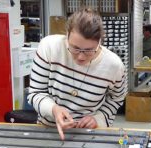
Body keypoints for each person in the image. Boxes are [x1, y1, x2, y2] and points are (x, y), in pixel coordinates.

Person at [28, 8, 127, 140]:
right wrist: (53, 109)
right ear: (67, 34)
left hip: (90, 134)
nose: (81, 57)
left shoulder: (114, 65)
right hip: (49, 130)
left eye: (89, 50)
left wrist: (99, 118)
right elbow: (35, 92)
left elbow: (117, 99)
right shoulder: (49, 48)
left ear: (99, 42)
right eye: (75, 48)